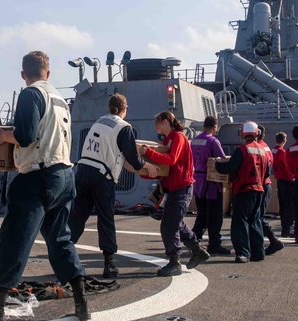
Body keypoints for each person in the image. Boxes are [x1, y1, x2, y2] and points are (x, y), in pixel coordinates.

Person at [0, 52, 88, 321]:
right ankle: (82, 301)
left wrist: (0, 136)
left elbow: (25, 135)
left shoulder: (30, 95)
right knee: (60, 239)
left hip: (38, 177)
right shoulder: (59, 99)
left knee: (14, 239)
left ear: (23, 74)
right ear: (48, 72)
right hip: (64, 176)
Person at [70, 94, 156, 276]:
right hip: (102, 176)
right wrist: (149, 166)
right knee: (106, 218)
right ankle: (109, 264)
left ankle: (63, 257)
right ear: (125, 109)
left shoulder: (99, 121)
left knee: (78, 215)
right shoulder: (124, 127)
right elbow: (133, 159)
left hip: (83, 171)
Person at [138, 111, 210, 277]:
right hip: (175, 188)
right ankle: (197, 251)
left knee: (169, 225)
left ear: (165, 121)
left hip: (181, 187)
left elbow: (171, 160)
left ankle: (174, 262)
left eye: (158, 123)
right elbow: (165, 165)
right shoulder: (169, 139)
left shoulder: (178, 137)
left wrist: (148, 153)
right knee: (176, 223)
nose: (156, 126)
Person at [213, 121, 270, 263]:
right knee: (255, 221)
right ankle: (259, 253)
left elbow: (230, 167)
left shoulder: (242, 150)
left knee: (240, 222)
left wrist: (215, 164)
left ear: (242, 134)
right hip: (259, 190)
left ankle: (243, 253)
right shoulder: (263, 151)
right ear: (257, 133)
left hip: (244, 190)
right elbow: (268, 172)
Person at [189, 116, 231, 255]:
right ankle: (214, 243)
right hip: (211, 182)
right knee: (215, 215)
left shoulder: (194, 141)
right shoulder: (213, 141)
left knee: (202, 213)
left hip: (197, 180)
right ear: (215, 127)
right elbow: (222, 160)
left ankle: (192, 239)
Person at [254, 125, 283, 255]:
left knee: (257, 216)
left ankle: (272, 240)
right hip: (266, 184)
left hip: (260, 185)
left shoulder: (258, 148)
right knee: (258, 216)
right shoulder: (266, 147)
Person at [271, 131, 295, 237]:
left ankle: (284, 226)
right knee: (289, 206)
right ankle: (287, 229)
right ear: (284, 141)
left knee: (282, 205)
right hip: (287, 180)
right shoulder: (282, 153)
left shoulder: (273, 151)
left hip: (279, 179)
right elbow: (287, 167)